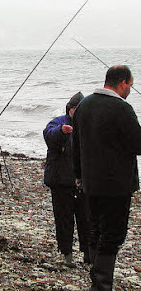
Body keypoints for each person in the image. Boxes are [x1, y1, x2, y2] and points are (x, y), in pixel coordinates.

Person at [73, 65, 141, 291]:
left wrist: (78, 176)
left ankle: (97, 278)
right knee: (112, 235)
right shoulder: (122, 108)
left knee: (96, 230)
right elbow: (138, 144)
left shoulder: (84, 105)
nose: (130, 89)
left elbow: (77, 145)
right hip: (116, 185)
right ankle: (101, 285)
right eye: (130, 85)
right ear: (122, 83)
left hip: (91, 182)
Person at [43, 92, 89, 268]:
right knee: (64, 220)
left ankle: (88, 256)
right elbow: (48, 135)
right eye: (77, 109)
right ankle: (67, 254)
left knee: (86, 220)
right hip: (60, 181)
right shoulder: (59, 122)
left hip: (83, 182)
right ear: (70, 109)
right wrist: (62, 132)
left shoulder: (88, 125)